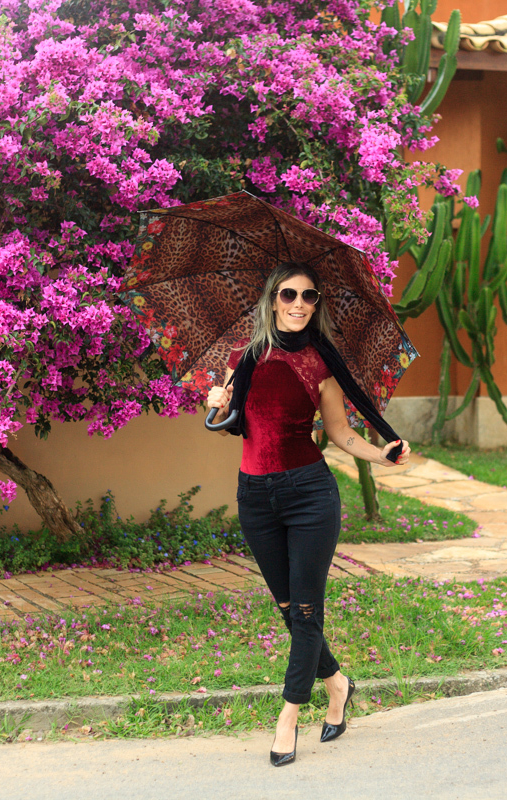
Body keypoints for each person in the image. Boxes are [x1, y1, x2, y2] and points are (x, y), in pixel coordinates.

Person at [206, 261, 411, 767]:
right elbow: (227, 420)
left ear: (316, 304)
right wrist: (216, 403)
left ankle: (288, 719)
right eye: (289, 294)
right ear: (272, 300)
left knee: (304, 612)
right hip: (255, 497)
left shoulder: (322, 362)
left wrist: (382, 454)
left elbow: (339, 432)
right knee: (287, 608)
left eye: (309, 296)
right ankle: (338, 684)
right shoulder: (243, 357)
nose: (299, 304)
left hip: (309, 495)